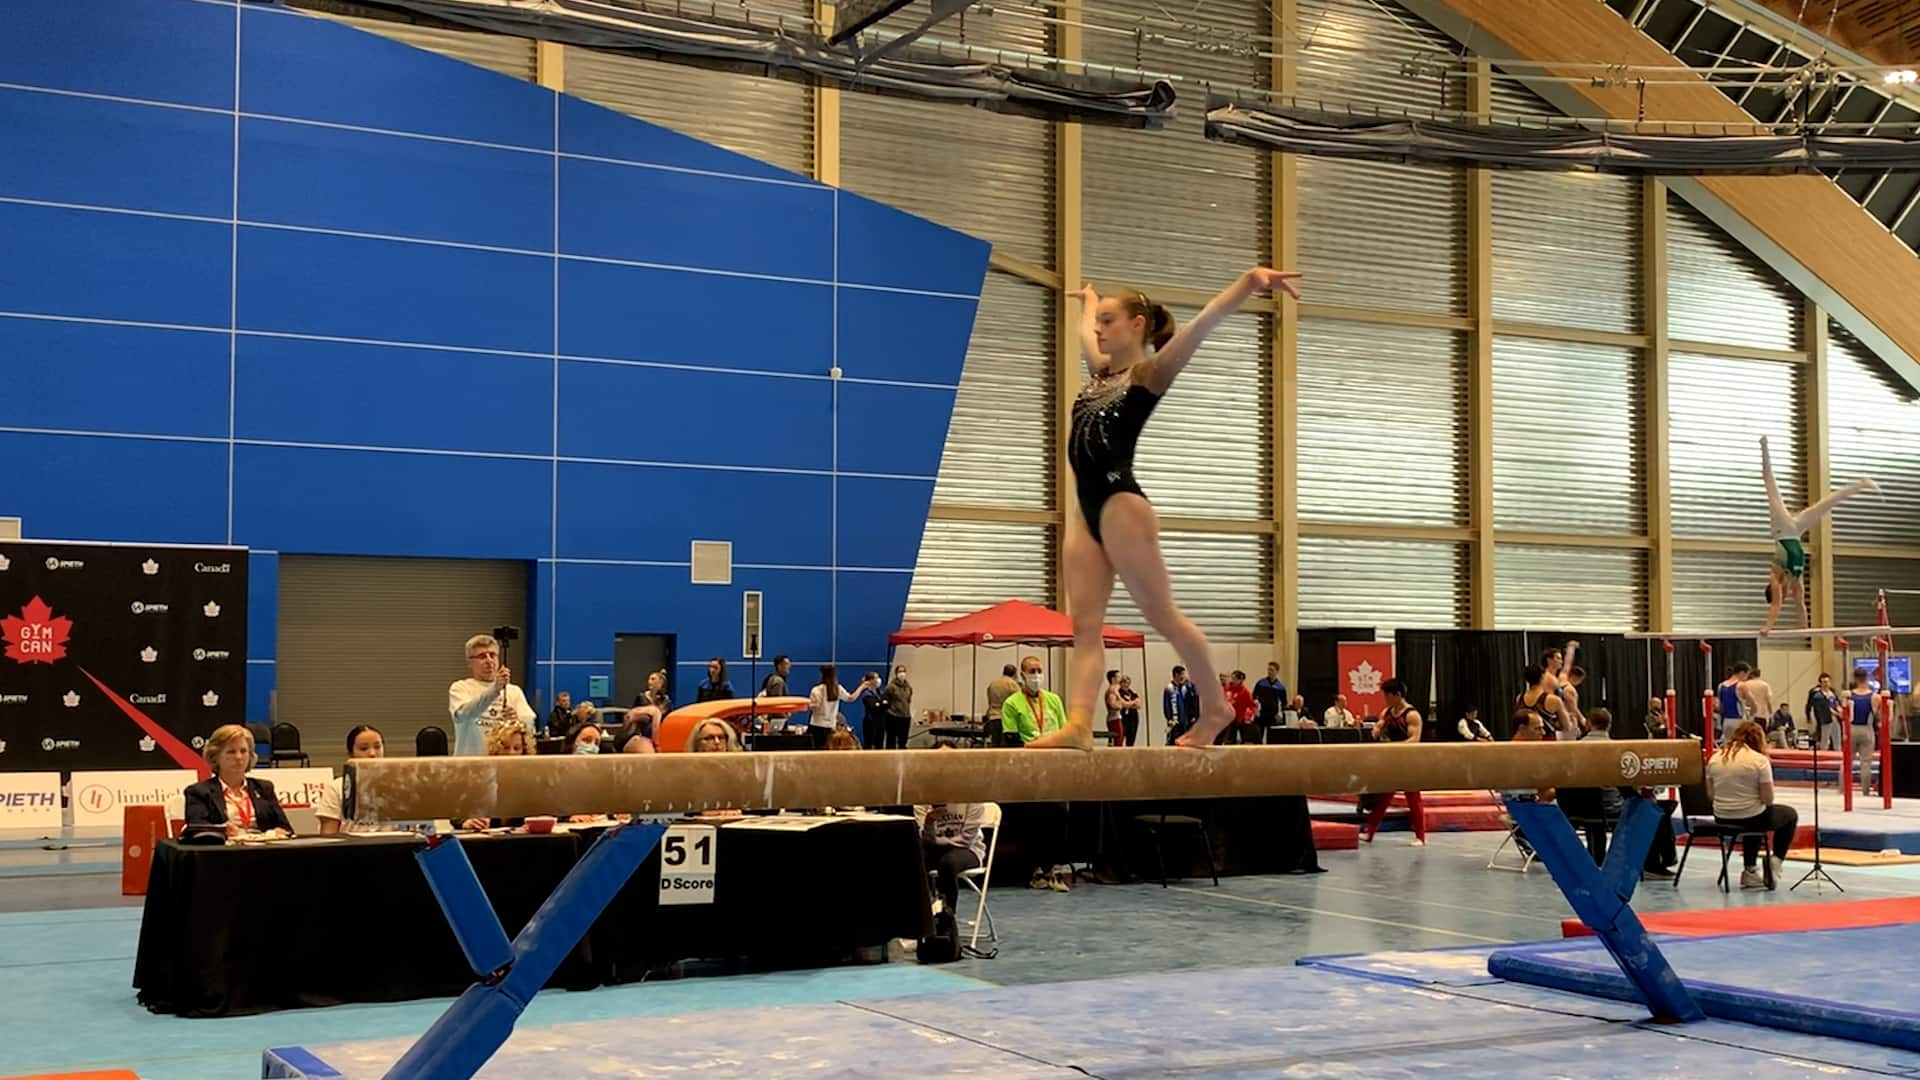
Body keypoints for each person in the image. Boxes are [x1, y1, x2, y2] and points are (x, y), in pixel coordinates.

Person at [1033, 268, 1303, 751]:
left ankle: (1215, 707)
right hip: (1086, 513)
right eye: (1098, 321)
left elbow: (1206, 321)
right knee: (1085, 626)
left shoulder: (1150, 373)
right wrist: (1089, 301)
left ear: (1137, 325)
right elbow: (1082, 332)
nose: (1098, 328)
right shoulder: (1100, 372)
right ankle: (1078, 724)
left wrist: (1247, 283)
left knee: (1163, 616)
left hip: (1121, 506)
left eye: (1108, 320)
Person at [1758, 434, 1878, 636]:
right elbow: (1800, 606)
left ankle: (1764, 447)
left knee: (1770, 485)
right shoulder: (1796, 582)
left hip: (1781, 529)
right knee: (1827, 505)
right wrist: (1806, 631)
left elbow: (1776, 606)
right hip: (1795, 532)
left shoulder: (1775, 578)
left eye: (1780, 594)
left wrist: (1767, 628)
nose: (1784, 595)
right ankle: (1860, 485)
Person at [1707, 720, 1798, 889]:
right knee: (1788, 815)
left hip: (1721, 817)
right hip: (1751, 817)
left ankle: (1750, 871)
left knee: (1755, 813)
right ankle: (1776, 861)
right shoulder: (1759, 761)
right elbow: (1768, 799)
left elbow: (1711, 794)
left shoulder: (1715, 758)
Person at [184, 724, 293, 839]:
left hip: (264, 851)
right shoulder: (198, 792)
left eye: (243, 751)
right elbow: (197, 828)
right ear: (215, 757)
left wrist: (274, 833)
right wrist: (223, 831)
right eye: (231, 752)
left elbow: (285, 828)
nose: (239, 757)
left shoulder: (264, 788)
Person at [1361, 678, 1426, 846]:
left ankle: (1420, 837)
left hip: (1409, 761)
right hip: (1392, 761)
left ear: (1397, 695)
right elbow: (1380, 724)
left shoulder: (1412, 715)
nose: (1385, 699)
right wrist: (1376, 729)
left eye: (1387, 696)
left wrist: (1392, 746)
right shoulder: (1387, 712)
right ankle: (1370, 833)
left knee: (1413, 799)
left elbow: (1414, 739)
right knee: (1383, 799)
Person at [448, 633, 536, 757]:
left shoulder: (514, 691)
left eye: (492, 655)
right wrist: (494, 690)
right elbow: (463, 714)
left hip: (503, 765)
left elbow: (530, 728)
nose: (489, 660)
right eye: (482, 656)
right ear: (470, 663)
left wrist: (517, 721)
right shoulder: (460, 688)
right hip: (470, 765)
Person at [916, 786, 986, 916]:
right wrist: (930, 821)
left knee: (948, 862)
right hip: (934, 849)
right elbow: (926, 840)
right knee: (914, 859)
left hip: (968, 850)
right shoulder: (922, 801)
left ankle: (947, 915)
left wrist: (940, 841)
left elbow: (967, 839)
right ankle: (920, 915)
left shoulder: (972, 798)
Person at [314, 724, 384, 836]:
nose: (372, 754)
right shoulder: (336, 788)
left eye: (377, 747)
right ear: (351, 754)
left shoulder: (399, 785)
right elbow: (328, 836)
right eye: (364, 748)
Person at [1002, 655, 1067, 744]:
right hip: (1027, 752)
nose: (1037, 675)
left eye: (1039, 671)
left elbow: (1064, 730)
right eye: (1032, 671)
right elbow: (1011, 737)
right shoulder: (1011, 703)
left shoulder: (1055, 699)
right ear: (1023, 675)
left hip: (1054, 750)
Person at [808, 664, 877, 749]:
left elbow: (814, 707)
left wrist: (808, 705)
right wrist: (862, 687)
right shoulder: (837, 689)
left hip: (816, 724)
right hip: (830, 726)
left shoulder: (816, 690)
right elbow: (851, 698)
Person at [1847, 667, 1886, 798]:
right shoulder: (1875, 697)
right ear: (1867, 678)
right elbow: (1880, 716)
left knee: (1847, 761)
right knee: (1866, 763)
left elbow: (1843, 714)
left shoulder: (1848, 695)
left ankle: (1843, 790)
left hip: (1851, 728)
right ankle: (1865, 792)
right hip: (1866, 729)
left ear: (1854, 678)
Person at [1162, 666, 1199, 745]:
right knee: (1173, 742)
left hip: (1185, 720)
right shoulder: (1169, 688)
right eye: (1182, 674)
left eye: (1184, 674)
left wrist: (1193, 716)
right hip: (1175, 721)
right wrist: (1169, 718)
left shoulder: (1186, 688)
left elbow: (1193, 700)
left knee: (1185, 742)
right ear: (1176, 675)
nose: (1184, 677)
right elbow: (1166, 705)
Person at [984, 664, 1020, 740]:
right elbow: (1019, 702)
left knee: (995, 745)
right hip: (1006, 719)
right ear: (1014, 673)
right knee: (1005, 746)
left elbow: (989, 700)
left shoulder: (993, 683)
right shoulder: (1013, 684)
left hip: (993, 717)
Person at [882, 665, 915, 750]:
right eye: (900, 671)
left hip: (905, 716)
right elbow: (885, 700)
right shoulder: (891, 687)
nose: (902, 673)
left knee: (903, 741)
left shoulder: (908, 687)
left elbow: (909, 699)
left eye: (903, 671)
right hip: (893, 716)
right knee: (891, 740)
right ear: (896, 673)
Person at [1253, 662, 1286, 742]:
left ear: (1277, 671)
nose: (1269, 672)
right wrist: (1255, 709)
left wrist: (1280, 714)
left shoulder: (1280, 687)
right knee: (1258, 737)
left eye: (1271, 670)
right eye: (1268, 669)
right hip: (1261, 714)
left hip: (1273, 715)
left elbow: (1284, 702)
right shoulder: (1261, 683)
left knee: (1271, 737)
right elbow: (1254, 697)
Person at [1717, 663, 1750, 743]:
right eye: (1747, 675)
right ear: (1742, 673)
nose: (1746, 678)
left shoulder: (1721, 686)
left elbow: (1720, 707)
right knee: (1740, 745)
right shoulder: (1741, 685)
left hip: (1726, 721)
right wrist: (1751, 714)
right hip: (1738, 720)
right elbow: (1752, 702)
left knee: (1728, 745)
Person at [1808, 673, 1841, 752]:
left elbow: (1836, 704)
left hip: (1834, 717)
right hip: (1825, 718)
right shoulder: (1818, 695)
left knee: (1837, 736)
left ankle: (1838, 751)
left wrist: (1840, 710)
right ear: (1820, 683)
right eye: (1824, 682)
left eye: (1827, 682)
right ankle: (1823, 753)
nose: (1826, 684)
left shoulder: (1832, 693)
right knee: (1825, 738)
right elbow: (1825, 707)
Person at [1116, 674, 1141, 747]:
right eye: (1124, 683)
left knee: (1131, 739)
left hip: (1133, 718)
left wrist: (1130, 704)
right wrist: (1132, 703)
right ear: (1121, 683)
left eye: (1127, 683)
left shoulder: (1132, 693)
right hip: (1123, 718)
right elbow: (1122, 704)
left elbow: (1139, 705)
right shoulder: (1118, 693)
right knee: (1121, 737)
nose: (1126, 685)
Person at [1104, 670, 1126, 747]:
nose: (1120, 679)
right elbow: (1112, 704)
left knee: (1120, 740)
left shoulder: (1116, 690)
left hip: (1116, 717)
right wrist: (1121, 704)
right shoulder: (1112, 690)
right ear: (1113, 679)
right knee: (1118, 741)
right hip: (1114, 719)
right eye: (1118, 677)